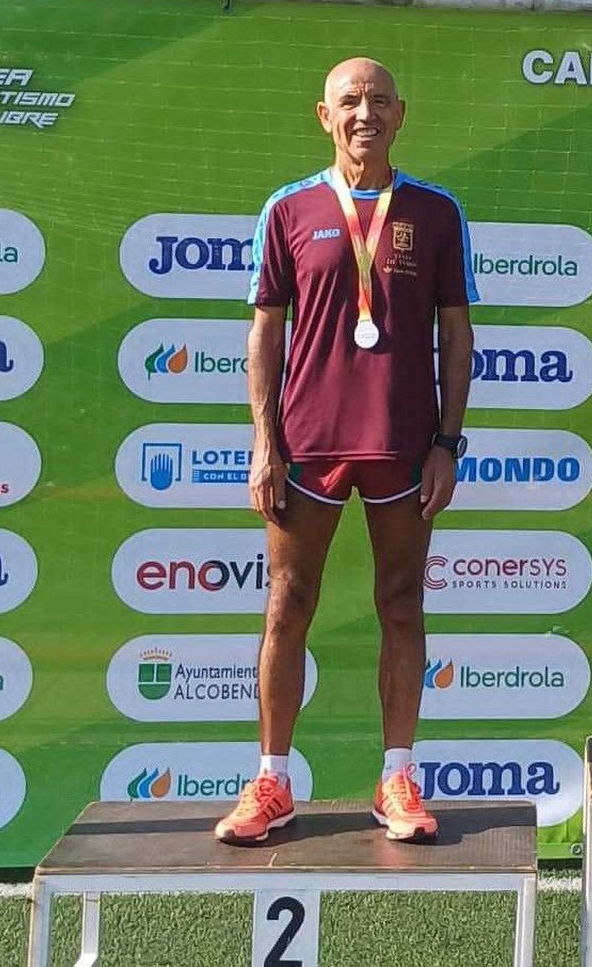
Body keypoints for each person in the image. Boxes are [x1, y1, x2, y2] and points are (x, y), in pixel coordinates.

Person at [215, 57, 477, 845]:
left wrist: (446, 444)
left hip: (402, 445)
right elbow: (266, 329)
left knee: (402, 604)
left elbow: (455, 333)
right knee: (287, 606)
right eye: (349, 102)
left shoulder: (435, 212)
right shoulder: (288, 208)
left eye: (378, 102)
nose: (365, 114)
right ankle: (272, 781)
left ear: (402, 114)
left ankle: (397, 774)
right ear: (323, 116)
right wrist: (265, 441)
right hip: (309, 446)